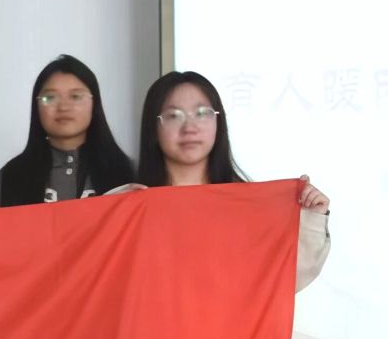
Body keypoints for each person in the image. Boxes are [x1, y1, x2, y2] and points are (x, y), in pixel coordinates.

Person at [129, 70, 330, 291]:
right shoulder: (131, 206)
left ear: (219, 121)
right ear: (153, 127)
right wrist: (113, 209)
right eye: (174, 115)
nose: (190, 127)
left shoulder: (251, 206)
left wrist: (311, 219)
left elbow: (280, 281)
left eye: (202, 113)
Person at [0, 55, 134, 207]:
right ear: (36, 107)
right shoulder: (12, 177)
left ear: (94, 104)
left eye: (75, 96)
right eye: (50, 97)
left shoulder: (126, 173)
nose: (63, 107)